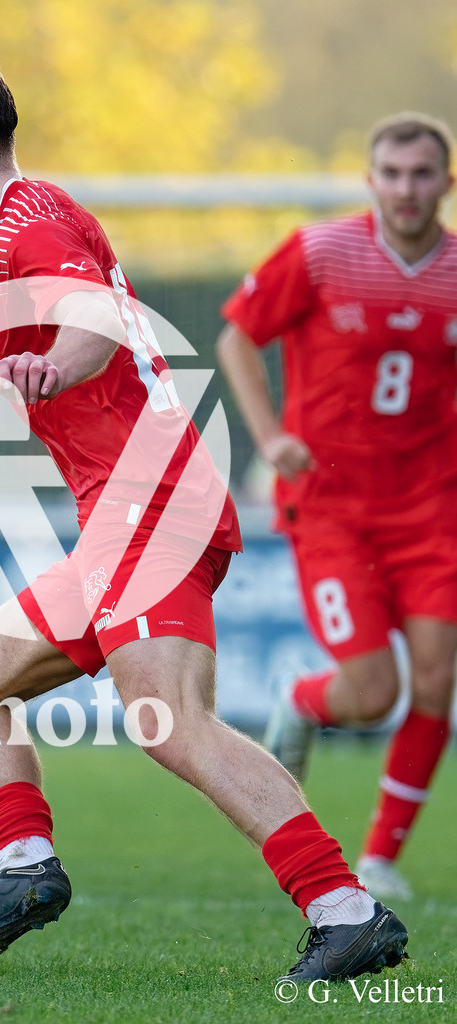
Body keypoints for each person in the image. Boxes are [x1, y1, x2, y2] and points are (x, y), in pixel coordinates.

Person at [0, 52, 409, 982]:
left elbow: (91, 318)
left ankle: (344, 911)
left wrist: (59, 362)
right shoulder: (1, 245)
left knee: (168, 719)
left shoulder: (32, 219)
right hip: (122, 518)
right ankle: (23, 870)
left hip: (153, 500)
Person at [216, 112, 456, 902]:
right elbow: (235, 338)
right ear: (370, 181)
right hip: (329, 506)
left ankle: (380, 858)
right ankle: (303, 701)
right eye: (391, 173)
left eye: (421, 174)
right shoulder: (322, 252)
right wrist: (270, 434)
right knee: (372, 692)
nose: (406, 189)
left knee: (433, 682)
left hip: (431, 506)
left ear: (445, 182)